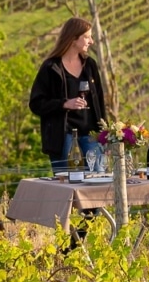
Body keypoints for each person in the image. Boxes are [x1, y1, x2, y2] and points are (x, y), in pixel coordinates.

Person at [29, 17, 106, 176]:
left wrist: (105, 135)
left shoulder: (90, 65)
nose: (91, 41)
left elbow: (99, 100)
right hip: (63, 138)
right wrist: (64, 104)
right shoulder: (51, 67)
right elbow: (36, 103)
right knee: (68, 185)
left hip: (91, 137)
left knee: (97, 181)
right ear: (73, 39)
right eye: (87, 37)